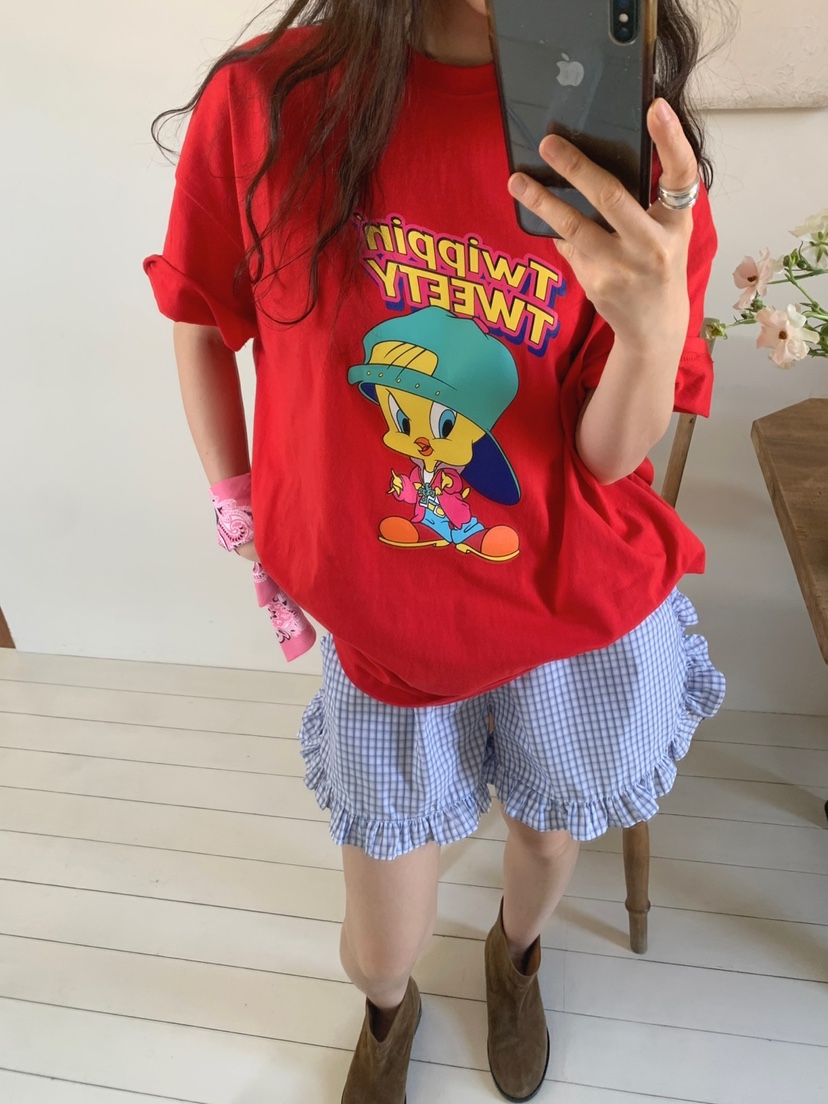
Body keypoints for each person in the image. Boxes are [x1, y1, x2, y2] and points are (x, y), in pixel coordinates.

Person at [144, 1, 727, 1100]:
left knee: (546, 843)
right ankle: (388, 1007)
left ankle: (517, 959)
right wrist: (238, 497)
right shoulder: (269, 101)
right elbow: (200, 305)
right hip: (386, 623)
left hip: (570, 609)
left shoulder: (624, 145)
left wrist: (654, 330)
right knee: (378, 942)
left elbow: (606, 456)